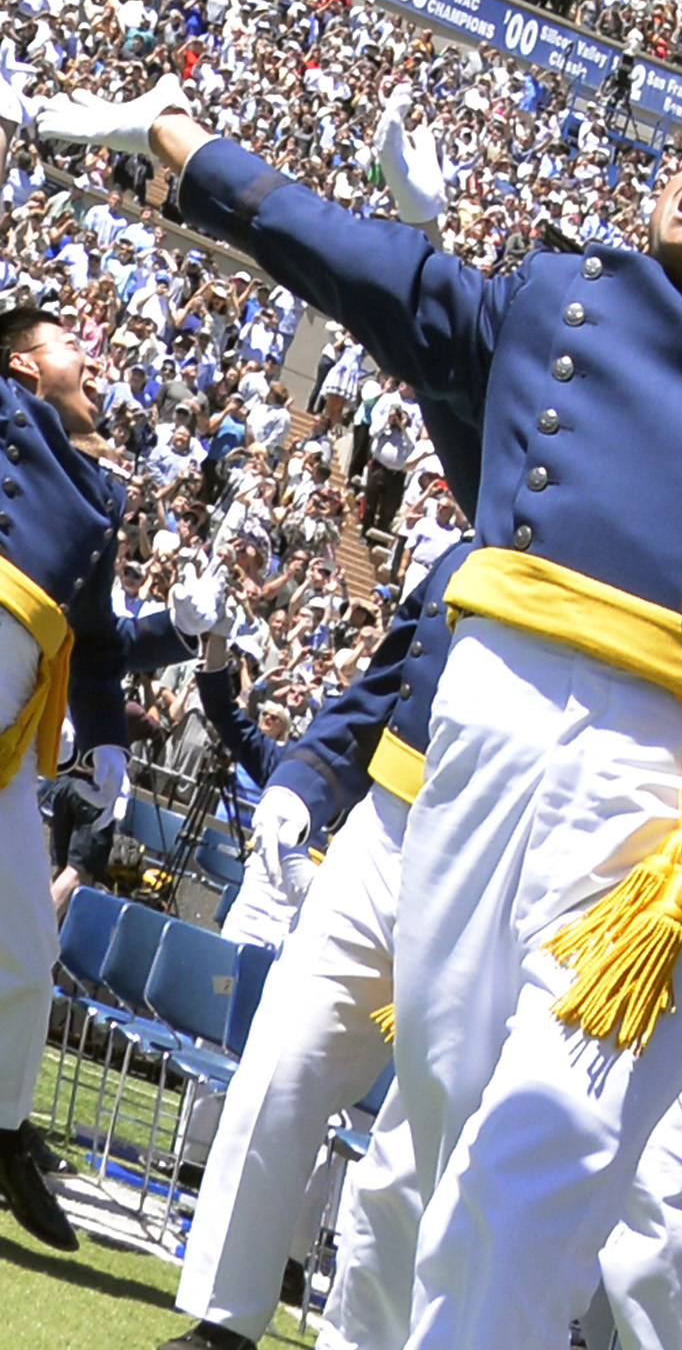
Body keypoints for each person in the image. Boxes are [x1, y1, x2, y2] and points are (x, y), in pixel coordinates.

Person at [44, 79, 682, 1350]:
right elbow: (349, 259)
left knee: (544, 1144)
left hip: (660, 809)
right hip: (472, 766)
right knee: (437, 1131)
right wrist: (177, 136)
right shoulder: (555, 302)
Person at [166, 545, 469, 1350]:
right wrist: (303, 781)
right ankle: (220, 1323)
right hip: (386, 820)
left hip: (505, 854)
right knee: (279, 1064)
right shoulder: (465, 553)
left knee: (424, 1138)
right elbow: (386, 685)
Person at [0, 302, 135, 1254]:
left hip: (13, 738)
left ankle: (5, 1133)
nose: (92, 361)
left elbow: (97, 646)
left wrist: (110, 739)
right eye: (71, 346)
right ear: (21, 367)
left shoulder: (100, 498)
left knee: (25, 949)